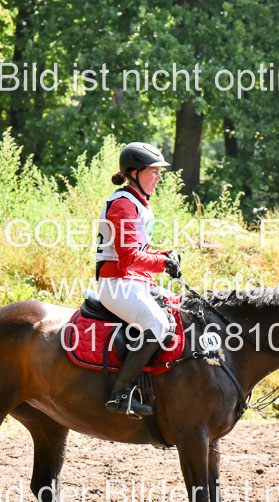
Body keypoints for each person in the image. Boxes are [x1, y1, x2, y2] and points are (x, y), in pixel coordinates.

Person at [94, 142, 182, 418]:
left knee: (181, 311)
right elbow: (129, 257)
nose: (158, 177)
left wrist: (165, 254)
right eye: (153, 171)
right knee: (156, 323)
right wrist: (162, 263)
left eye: (159, 172)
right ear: (134, 173)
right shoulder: (123, 205)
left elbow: (140, 251)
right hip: (117, 284)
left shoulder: (138, 203)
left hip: (134, 282)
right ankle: (120, 395)